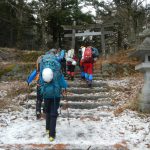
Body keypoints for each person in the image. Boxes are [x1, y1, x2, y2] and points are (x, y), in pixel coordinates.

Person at [39, 53, 68, 142]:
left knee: (47, 111)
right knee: (53, 114)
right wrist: (65, 87)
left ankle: (47, 129)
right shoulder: (57, 69)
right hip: (55, 95)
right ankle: (52, 135)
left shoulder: (43, 66)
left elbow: (41, 80)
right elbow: (63, 82)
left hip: (46, 94)